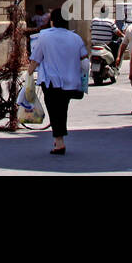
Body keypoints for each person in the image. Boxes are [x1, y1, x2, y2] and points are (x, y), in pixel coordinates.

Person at [29, 8, 88, 155]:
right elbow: (85, 62)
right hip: (70, 82)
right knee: (62, 109)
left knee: (54, 111)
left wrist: (28, 74)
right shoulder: (76, 38)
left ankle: (59, 142)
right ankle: (58, 139)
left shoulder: (44, 37)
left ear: (52, 21)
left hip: (50, 81)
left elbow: (35, 59)